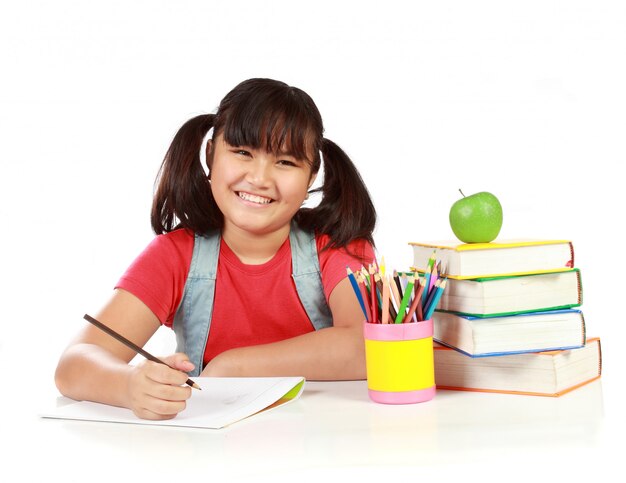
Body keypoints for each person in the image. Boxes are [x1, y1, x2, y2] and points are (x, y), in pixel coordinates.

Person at [55, 78, 377, 420]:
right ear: (210, 154)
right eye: (242, 153)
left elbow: (366, 345)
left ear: (311, 176)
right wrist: (128, 385)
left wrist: (234, 365)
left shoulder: (339, 244)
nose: (259, 178)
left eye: (285, 162)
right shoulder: (174, 256)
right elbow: (73, 365)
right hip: (210, 449)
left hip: (329, 441)